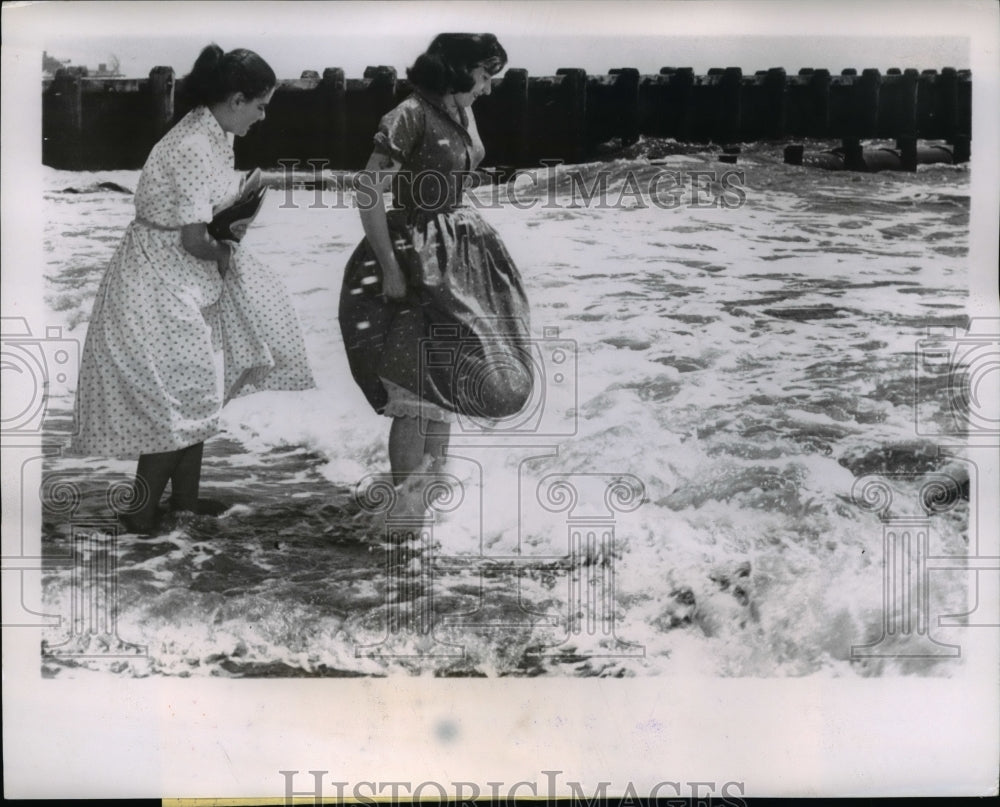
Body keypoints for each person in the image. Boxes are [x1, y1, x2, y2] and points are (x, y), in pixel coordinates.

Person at [72, 44, 314, 533]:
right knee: (180, 400)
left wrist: (235, 210)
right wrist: (226, 251)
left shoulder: (211, 131)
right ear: (236, 98)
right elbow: (192, 237)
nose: (263, 117)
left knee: (194, 392)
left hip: (172, 276)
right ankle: (140, 510)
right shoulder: (195, 144)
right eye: (261, 105)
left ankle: (183, 503)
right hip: (158, 281)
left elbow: (200, 217)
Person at [339, 33, 532, 486]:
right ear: (460, 69)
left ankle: (428, 505)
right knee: (414, 388)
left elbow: (464, 162)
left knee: (445, 383)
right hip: (414, 254)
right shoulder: (408, 114)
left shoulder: (461, 108)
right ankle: (404, 513)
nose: (487, 88)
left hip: (460, 257)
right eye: (484, 76)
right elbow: (368, 190)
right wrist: (389, 268)